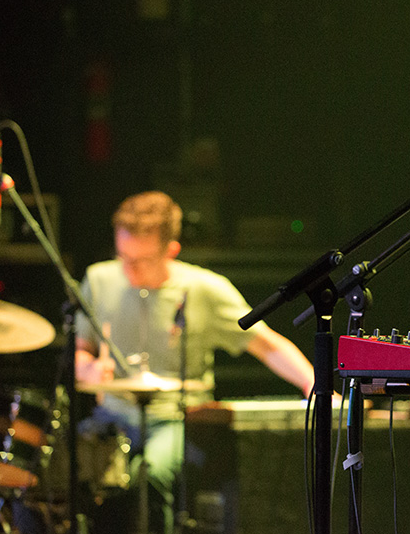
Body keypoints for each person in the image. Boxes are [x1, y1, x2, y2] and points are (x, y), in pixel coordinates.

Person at [74, 191, 315, 534]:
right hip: (112, 418)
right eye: (122, 256)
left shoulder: (205, 288)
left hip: (178, 419)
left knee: (151, 474)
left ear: (171, 250)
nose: (128, 269)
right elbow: (80, 350)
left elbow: (267, 345)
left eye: (141, 260)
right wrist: (87, 368)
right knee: (60, 471)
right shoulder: (99, 279)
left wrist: (312, 383)